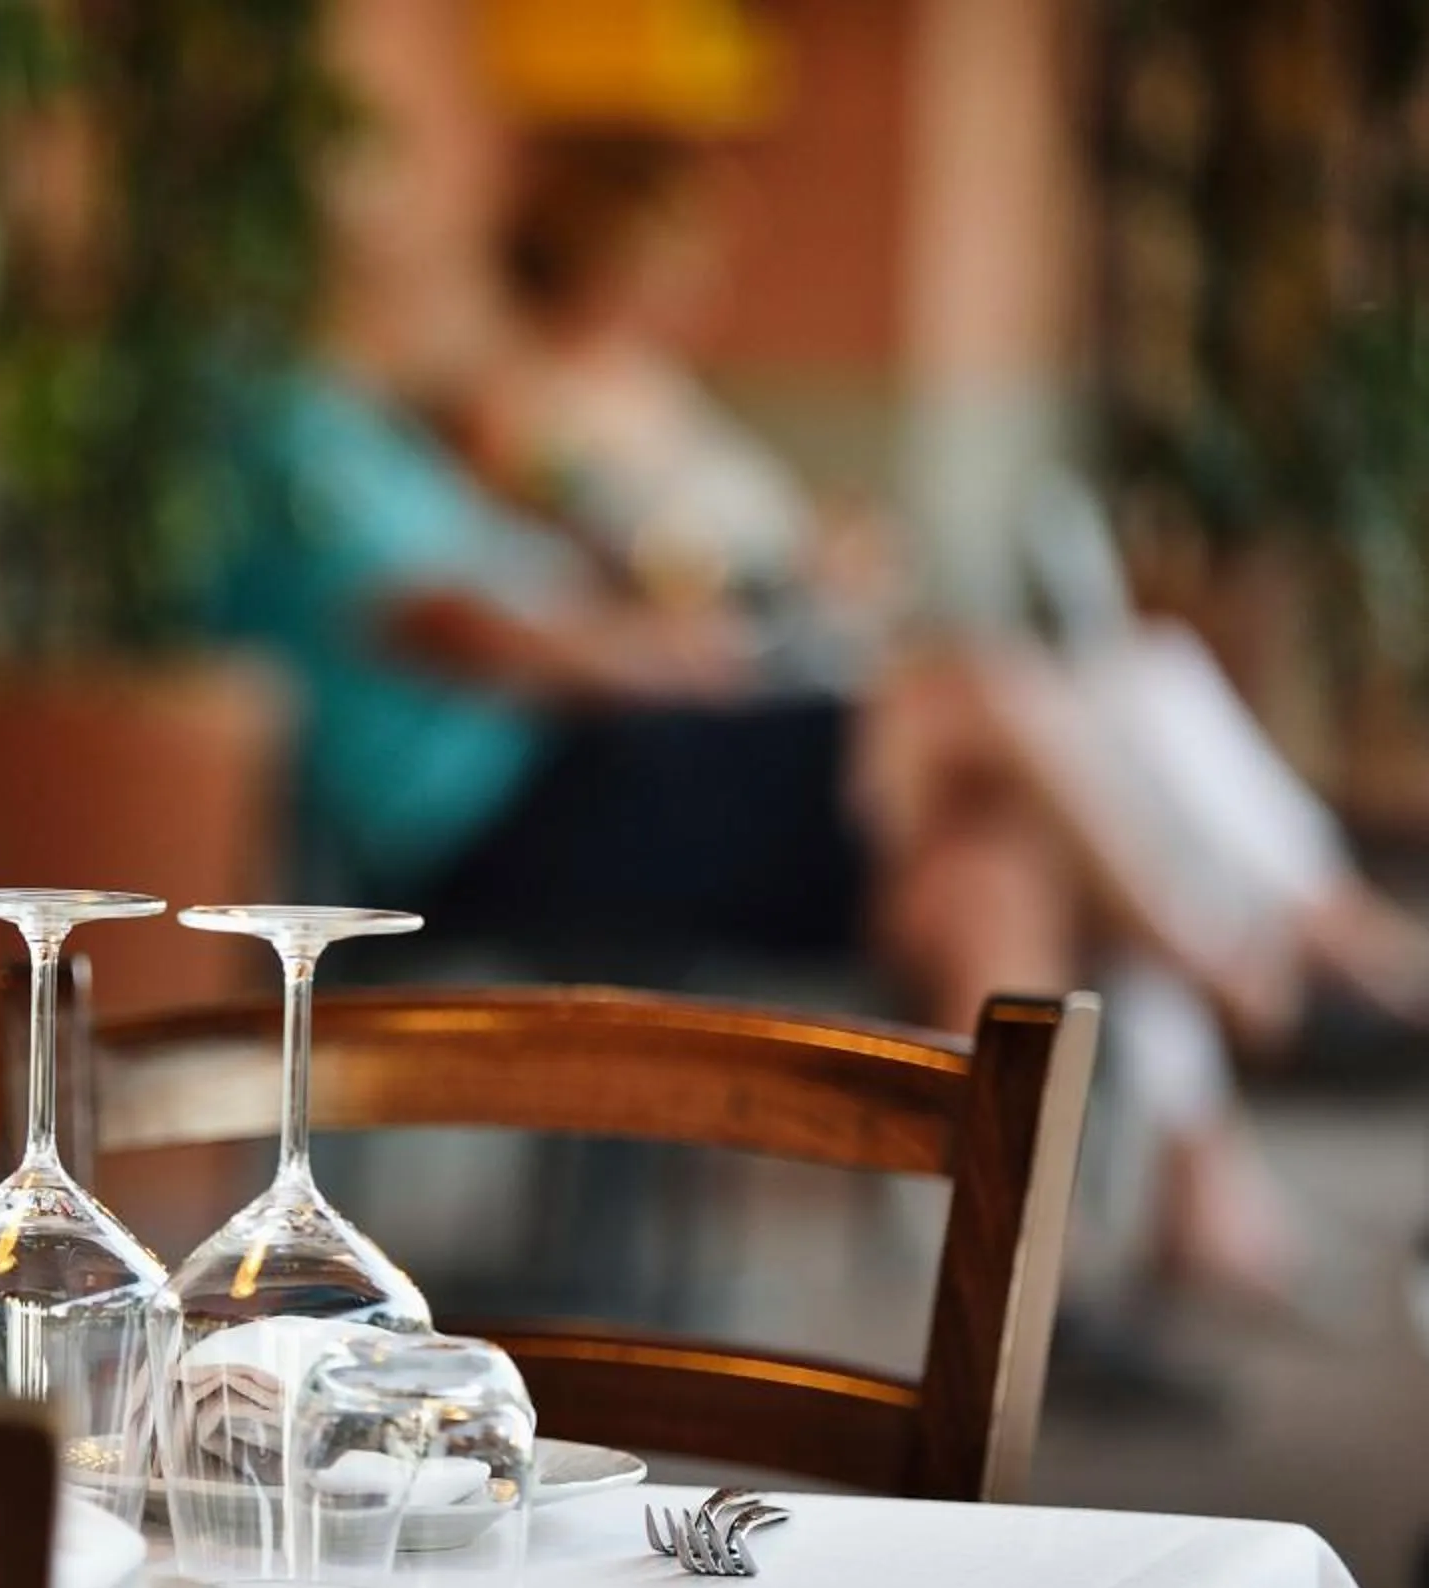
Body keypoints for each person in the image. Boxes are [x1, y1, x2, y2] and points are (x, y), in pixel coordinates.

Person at [204, 143, 1425, 1297]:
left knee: (982, 860)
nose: (426, 272)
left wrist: (695, 614)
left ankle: (1006, 1291)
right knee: (976, 694)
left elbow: (566, 576)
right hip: (507, 813)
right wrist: (668, 654)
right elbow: (456, 627)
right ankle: (1225, 962)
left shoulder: (395, 423)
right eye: (395, 248)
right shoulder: (293, 426)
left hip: (604, 767)